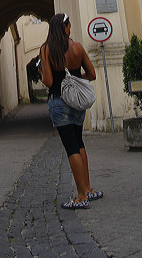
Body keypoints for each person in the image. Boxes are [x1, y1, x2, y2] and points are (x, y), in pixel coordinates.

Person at [40, 12, 103, 209]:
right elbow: (91, 74)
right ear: (65, 27)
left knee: (71, 147)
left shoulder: (47, 49)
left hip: (59, 102)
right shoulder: (77, 47)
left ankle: (81, 196)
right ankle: (89, 189)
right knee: (80, 142)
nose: (71, 28)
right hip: (76, 103)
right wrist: (76, 78)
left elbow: (49, 81)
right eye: (69, 25)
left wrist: (43, 72)